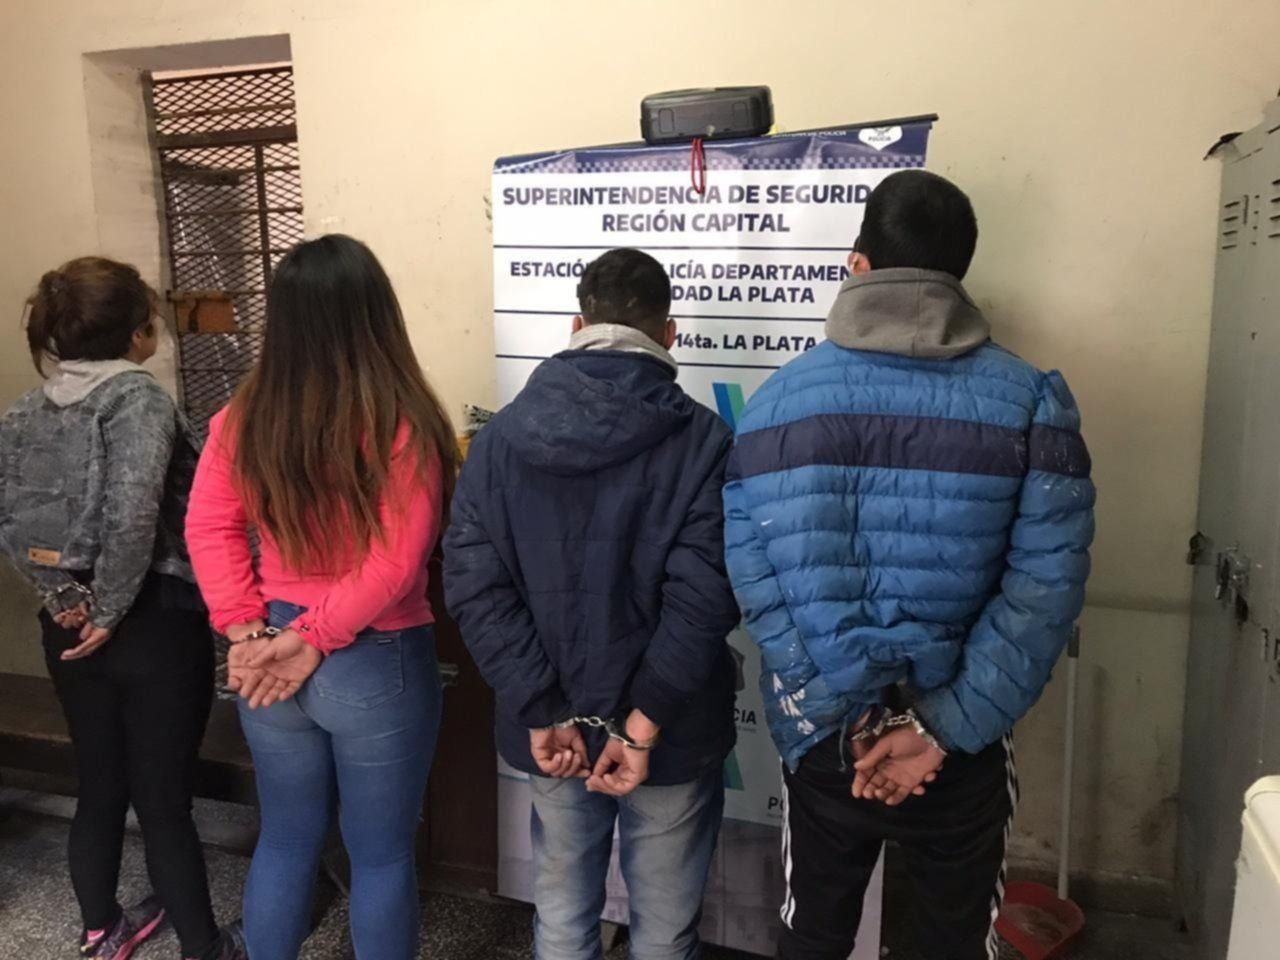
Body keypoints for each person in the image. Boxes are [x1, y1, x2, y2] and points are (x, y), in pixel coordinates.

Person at [724, 170, 1096, 960]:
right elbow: (1045, 589)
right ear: (958, 272)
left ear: (858, 266)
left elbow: (757, 582)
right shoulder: (1033, 401)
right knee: (948, 942)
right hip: (961, 744)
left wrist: (843, 712)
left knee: (813, 935)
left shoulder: (775, 405)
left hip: (827, 738)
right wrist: (937, 729)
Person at [443, 248, 740, 960]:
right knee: (664, 929)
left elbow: (475, 588)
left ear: (576, 326)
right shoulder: (706, 441)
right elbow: (704, 598)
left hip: (555, 731)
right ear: (669, 335)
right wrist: (642, 726)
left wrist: (541, 707)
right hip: (669, 730)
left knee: (561, 912)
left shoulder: (499, 440)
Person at [185, 235, 456, 960]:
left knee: (284, 839)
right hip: (371, 657)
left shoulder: (244, 417)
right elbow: (396, 561)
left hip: (270, 658)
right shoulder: (400, 420)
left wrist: (248, 633)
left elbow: (208, 525)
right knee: (381, 857)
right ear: (377, 313)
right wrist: (309, 638)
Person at [0, 258, 245, 960]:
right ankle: (204, 947)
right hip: (151, 624)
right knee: (163, 799)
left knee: (100, 785)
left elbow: (10, 518)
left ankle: (101, 930)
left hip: (66, 628)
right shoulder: (139, 398)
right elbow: (133, 516)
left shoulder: (24, 410)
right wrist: (109, 609)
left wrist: (64, 598)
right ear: (139, 331)